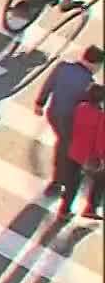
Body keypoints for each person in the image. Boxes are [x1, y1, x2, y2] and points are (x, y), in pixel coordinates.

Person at [37, 44, 103, 205]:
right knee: (65, 150)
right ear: (94, 64)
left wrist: (40, 103)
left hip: (53, 114)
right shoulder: (88, 83)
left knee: (63, 145)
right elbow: (88, 106)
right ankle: (58, 182)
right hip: (69, 122)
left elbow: (49, 84)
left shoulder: (63, 67)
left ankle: (60, 180)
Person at [59, 82, 105, 220]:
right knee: (100, 180)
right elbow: (100, 139)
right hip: (90, 155)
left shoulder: (80, 108)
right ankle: (91, 207)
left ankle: (64, 209)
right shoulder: (101, 116)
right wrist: (101, 157)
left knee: (73, 182)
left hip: (75, 150)